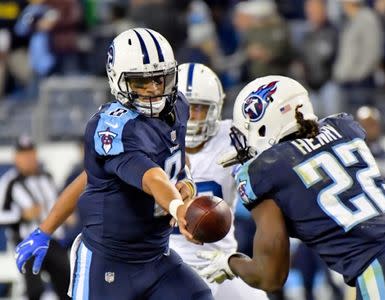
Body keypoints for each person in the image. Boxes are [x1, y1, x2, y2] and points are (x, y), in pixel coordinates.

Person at [197, 75, 385, 299]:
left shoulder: (266, 170)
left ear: (263, 125)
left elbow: (270, 276)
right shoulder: (342, 129)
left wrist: (230, 263)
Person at [14, 28, 214, 300]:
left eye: (160, 79)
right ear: (117, 80)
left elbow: (175, 159)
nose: (154, 89)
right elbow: (152, 177)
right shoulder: (111, 128)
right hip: (108, 265)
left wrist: (187, 183)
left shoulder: (177, 105)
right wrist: (178, 208)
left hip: (156, 257)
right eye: (141, 83)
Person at [170, 62, 269, 300]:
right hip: (166, 262)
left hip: (219, 262)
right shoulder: (151, 141)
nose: (191, 117)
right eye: (185, 107)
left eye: (199, 109)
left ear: (215, 110)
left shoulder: (234, 139)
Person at [0, 135, 70, 300]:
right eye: (24, 155)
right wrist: (21, 215)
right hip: (28, 241)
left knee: (67, 288)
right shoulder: (9, 182)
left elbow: (56, 204)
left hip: (54, 240)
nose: (28, 159)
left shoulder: (47, 177)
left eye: (31, 154)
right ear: (16, 158)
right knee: (34, 290)